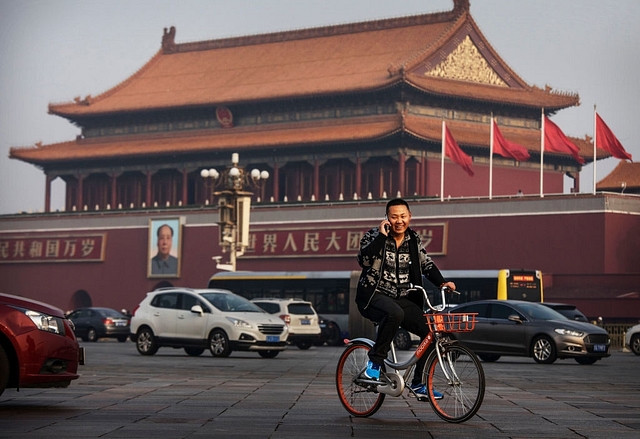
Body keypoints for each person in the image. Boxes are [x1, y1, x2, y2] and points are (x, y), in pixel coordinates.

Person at [355, 198, 456, 400]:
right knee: (394, 313)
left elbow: (426, 264)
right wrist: (381, 238)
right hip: (374, 295)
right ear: (387, 219)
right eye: (394, 217)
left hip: (401, 297)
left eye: (403, 216)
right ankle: (374, 363)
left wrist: (442, 283)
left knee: (429, 332)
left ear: (410, 217)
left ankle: (419, 383)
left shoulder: (414, 240)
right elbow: (363, 260)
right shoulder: (373, 236)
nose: (399, 220)